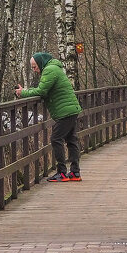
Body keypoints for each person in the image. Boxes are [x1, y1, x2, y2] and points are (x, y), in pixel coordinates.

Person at [15, 52, 82, 182]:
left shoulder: (49, 70)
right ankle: (75, 172)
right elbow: (43, 88)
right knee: (71, 140)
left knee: (56, 139)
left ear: (40, 63)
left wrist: (23, 93)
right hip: (71, 109)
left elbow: (41, 91)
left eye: (34, 67)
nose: (34, 70)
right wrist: (26, 91)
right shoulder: (54, 68)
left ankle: (62, 173)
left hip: (65, 111)